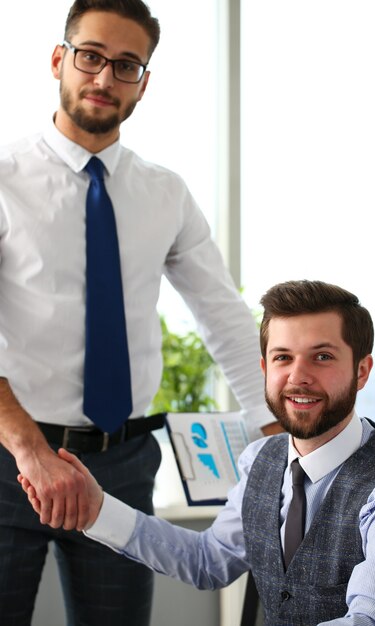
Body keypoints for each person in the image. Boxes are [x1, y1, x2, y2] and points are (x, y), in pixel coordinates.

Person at [0, 1, 279, 624]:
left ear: (144, 84)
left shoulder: (165, 193)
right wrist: (29, 451)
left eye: (126, 65)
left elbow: (224, 316)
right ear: (58, 60)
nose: (104, 78)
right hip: (9, 459)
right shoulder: (5, 179)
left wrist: (275, 432)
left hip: (121, 466)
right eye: (90, 56)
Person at [21, 279, 375, 625]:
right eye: (283, 358)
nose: (298, 376)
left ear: (362, 371)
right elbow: (207, 560)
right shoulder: (259, 459)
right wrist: (97, 510)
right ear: (264, 368)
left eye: (323, 357)